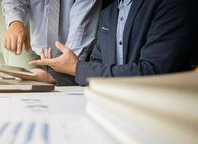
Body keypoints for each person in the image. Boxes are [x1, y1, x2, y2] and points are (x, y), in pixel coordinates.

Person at [16, 0, 198, 86]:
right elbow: (98, 67)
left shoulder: (173, 4)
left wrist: (76, 68)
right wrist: (50, 76)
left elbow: (153, 73)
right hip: (112, 109)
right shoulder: (108, 14)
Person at [2, 0, 102, 85]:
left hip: (77, 60)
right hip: (39, 58)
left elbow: (82, 24)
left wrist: (62, 71)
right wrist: (15, 21)